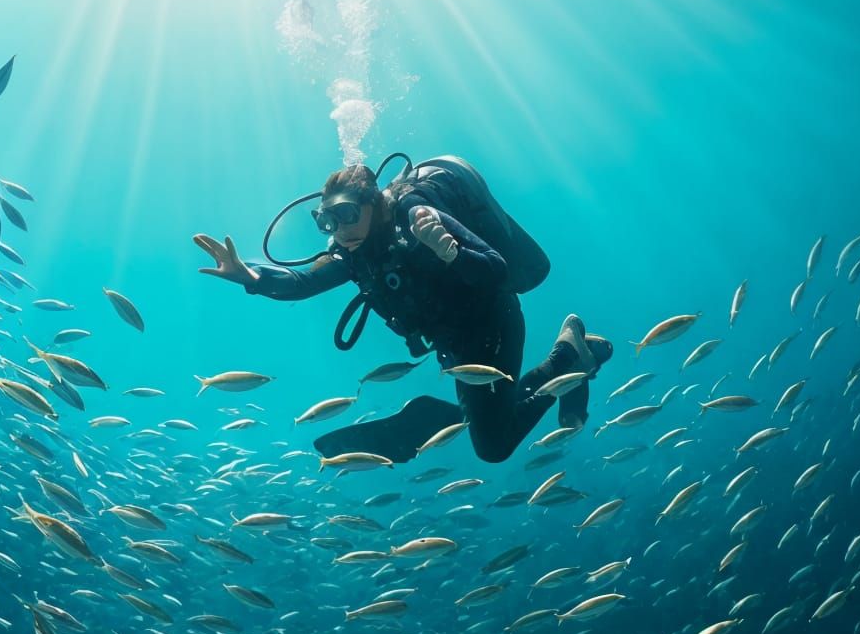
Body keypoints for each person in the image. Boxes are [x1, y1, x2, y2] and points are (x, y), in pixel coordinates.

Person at [194, 158, 611, 464]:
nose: (338, 230)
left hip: (491, 325)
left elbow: (495, 269)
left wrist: (451, 252)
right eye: (327, 221)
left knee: (493, 446)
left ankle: (568, 358)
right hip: (456, 346)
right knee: (487, 427)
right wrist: (251, 276)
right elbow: (304, 283)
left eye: (346, 215)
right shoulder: (353, 251)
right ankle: (572, 359)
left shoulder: (417, 215)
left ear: (374, 205)